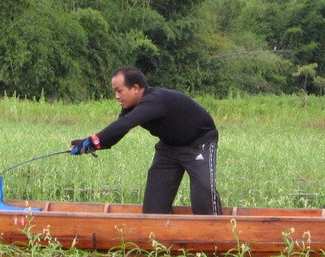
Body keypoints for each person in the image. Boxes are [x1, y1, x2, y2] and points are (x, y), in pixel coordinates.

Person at [70, 66, 222, 215]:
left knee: (203, 195)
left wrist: (91, 141)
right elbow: (118, 131)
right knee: (153, 209)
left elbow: (126, 123)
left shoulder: (154, 100)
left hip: (199, 142)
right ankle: (155, 237)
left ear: (135, 88)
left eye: (119, 90)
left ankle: (217, 233)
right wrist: (89, 145)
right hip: (168, 147)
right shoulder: (131, 106)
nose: (116, 96)